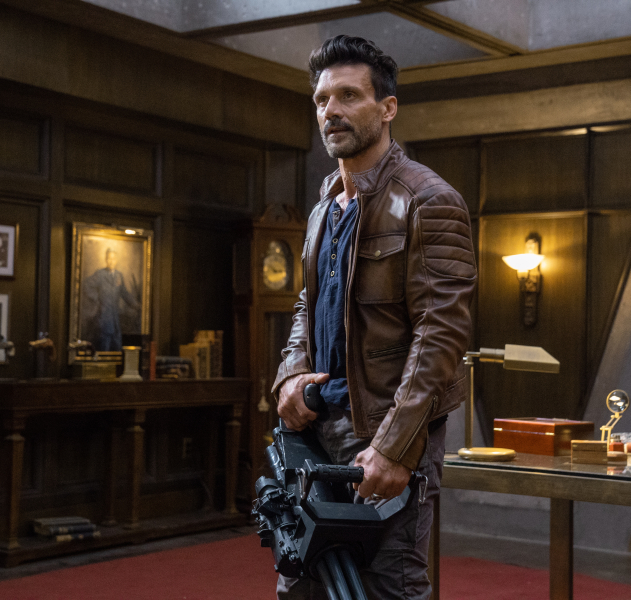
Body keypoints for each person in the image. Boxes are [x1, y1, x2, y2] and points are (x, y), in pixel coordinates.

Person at [272, 35, 477, 600]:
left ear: (387, 108)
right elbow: (308, 304)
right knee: (302, 584)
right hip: (317, 425)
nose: (330, 111)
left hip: (384, 431)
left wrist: (394, 446)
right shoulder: (324, 205)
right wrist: (291, 374)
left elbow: (441, 335)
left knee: (389, 586)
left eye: (348, 95)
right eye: (321, 99)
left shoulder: (428, 199)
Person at [82, 248, 140, 351]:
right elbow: (86, 285)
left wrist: (136, 305)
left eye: (113, 259)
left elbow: (124, 293)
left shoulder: (119, 275)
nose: (111, 261)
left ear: (116, 260)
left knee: (117, 352)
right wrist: (97, 298)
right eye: (109, 258)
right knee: (104, 352)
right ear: (106, 260)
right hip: (103, 323)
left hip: (115, 323)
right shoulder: (100, 274)